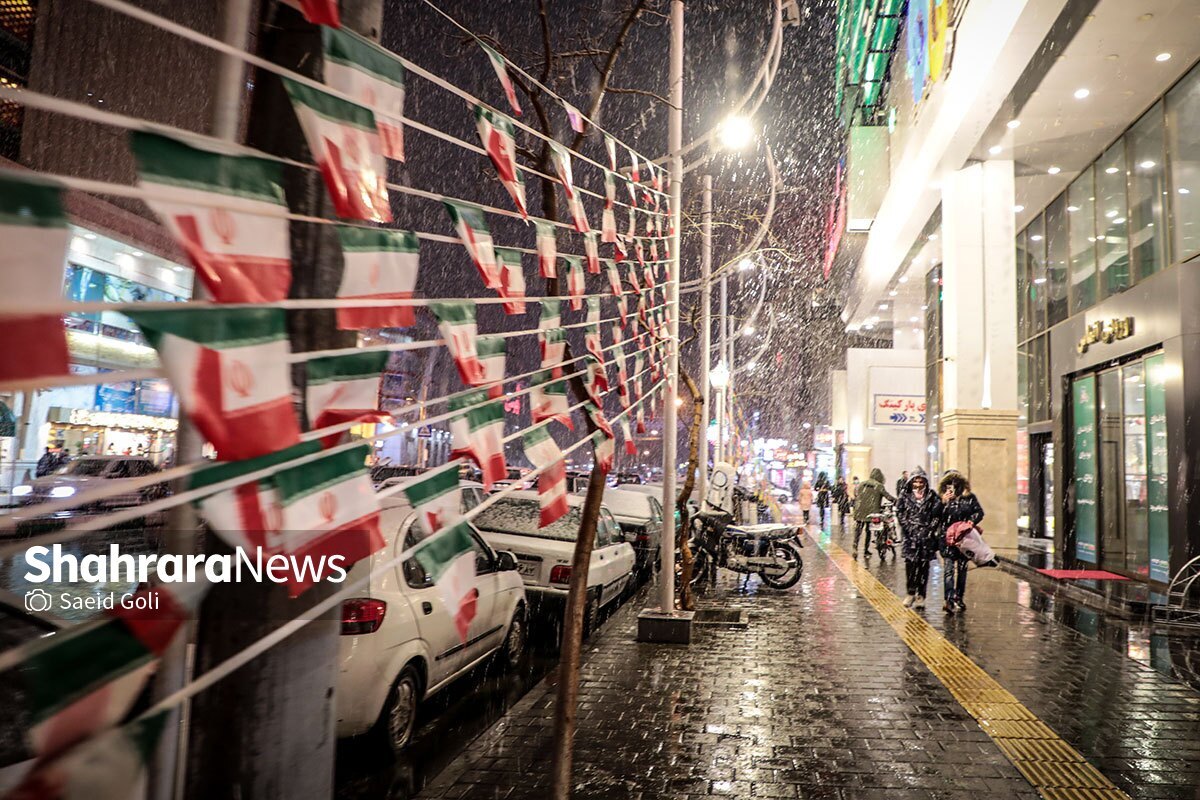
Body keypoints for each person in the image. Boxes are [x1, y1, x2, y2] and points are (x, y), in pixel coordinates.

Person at [939, 470, 984, 613]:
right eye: (949, 484)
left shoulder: (969, 497)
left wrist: (972, 520)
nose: (952, 487)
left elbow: (979, 512)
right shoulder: (941, 498)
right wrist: (943, 502)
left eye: (955, 484)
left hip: (964, 539)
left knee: (963, 570)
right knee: (948, 570)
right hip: (947, 539)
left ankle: (959, 597)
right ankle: (949, 599)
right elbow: (935, 515)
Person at [896, 468, 941, 609]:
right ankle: (910, 592)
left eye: (921, 481)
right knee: (910, 565)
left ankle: (921, 594)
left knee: (924, 566)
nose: (918, 484)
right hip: (910, 537)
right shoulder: (905, 495)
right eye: (916, 480)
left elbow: (937, 514)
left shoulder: (932, 496)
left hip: (926, 538)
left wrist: (929, 528)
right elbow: (900, 512)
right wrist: (909, 527)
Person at [851, 468, 895, 559]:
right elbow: (888, 497)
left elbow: (856, 495)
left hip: (859, 511)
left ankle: (855, 547)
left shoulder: (862, 484)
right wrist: (897, 501)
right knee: (868, 530)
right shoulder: (879, 486)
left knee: (858, 530)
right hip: (872, 511)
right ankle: (865, 550)